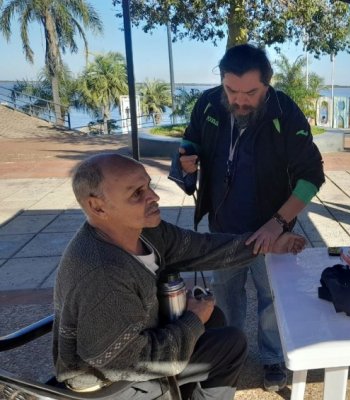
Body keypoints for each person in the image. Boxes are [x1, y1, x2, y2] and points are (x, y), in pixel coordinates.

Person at [53, 153, 306, 399]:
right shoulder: (103, 274)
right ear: (97, 206)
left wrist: (269, 244)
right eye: (136, 194)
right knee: (230, 344)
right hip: (109, 385)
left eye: (148, 186)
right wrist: (193, 319)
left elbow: (203, 247)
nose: (154, 196)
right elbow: (127, 363)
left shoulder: (144, 232)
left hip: (134, 346)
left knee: (215, 318)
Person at [173, 43, 325, 391]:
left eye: (250, 93)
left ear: (267, 86)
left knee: (272, 297)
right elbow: (191, 140)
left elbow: (311, 177)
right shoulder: (209, 103)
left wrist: (279, 223)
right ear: (222, 82)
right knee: (226, 296)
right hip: (223, 229)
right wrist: (187, 158)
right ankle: (232, 355)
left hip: (271, 230)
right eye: (232, 90)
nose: (240, 100)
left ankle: (272, 357)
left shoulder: (285, 112)